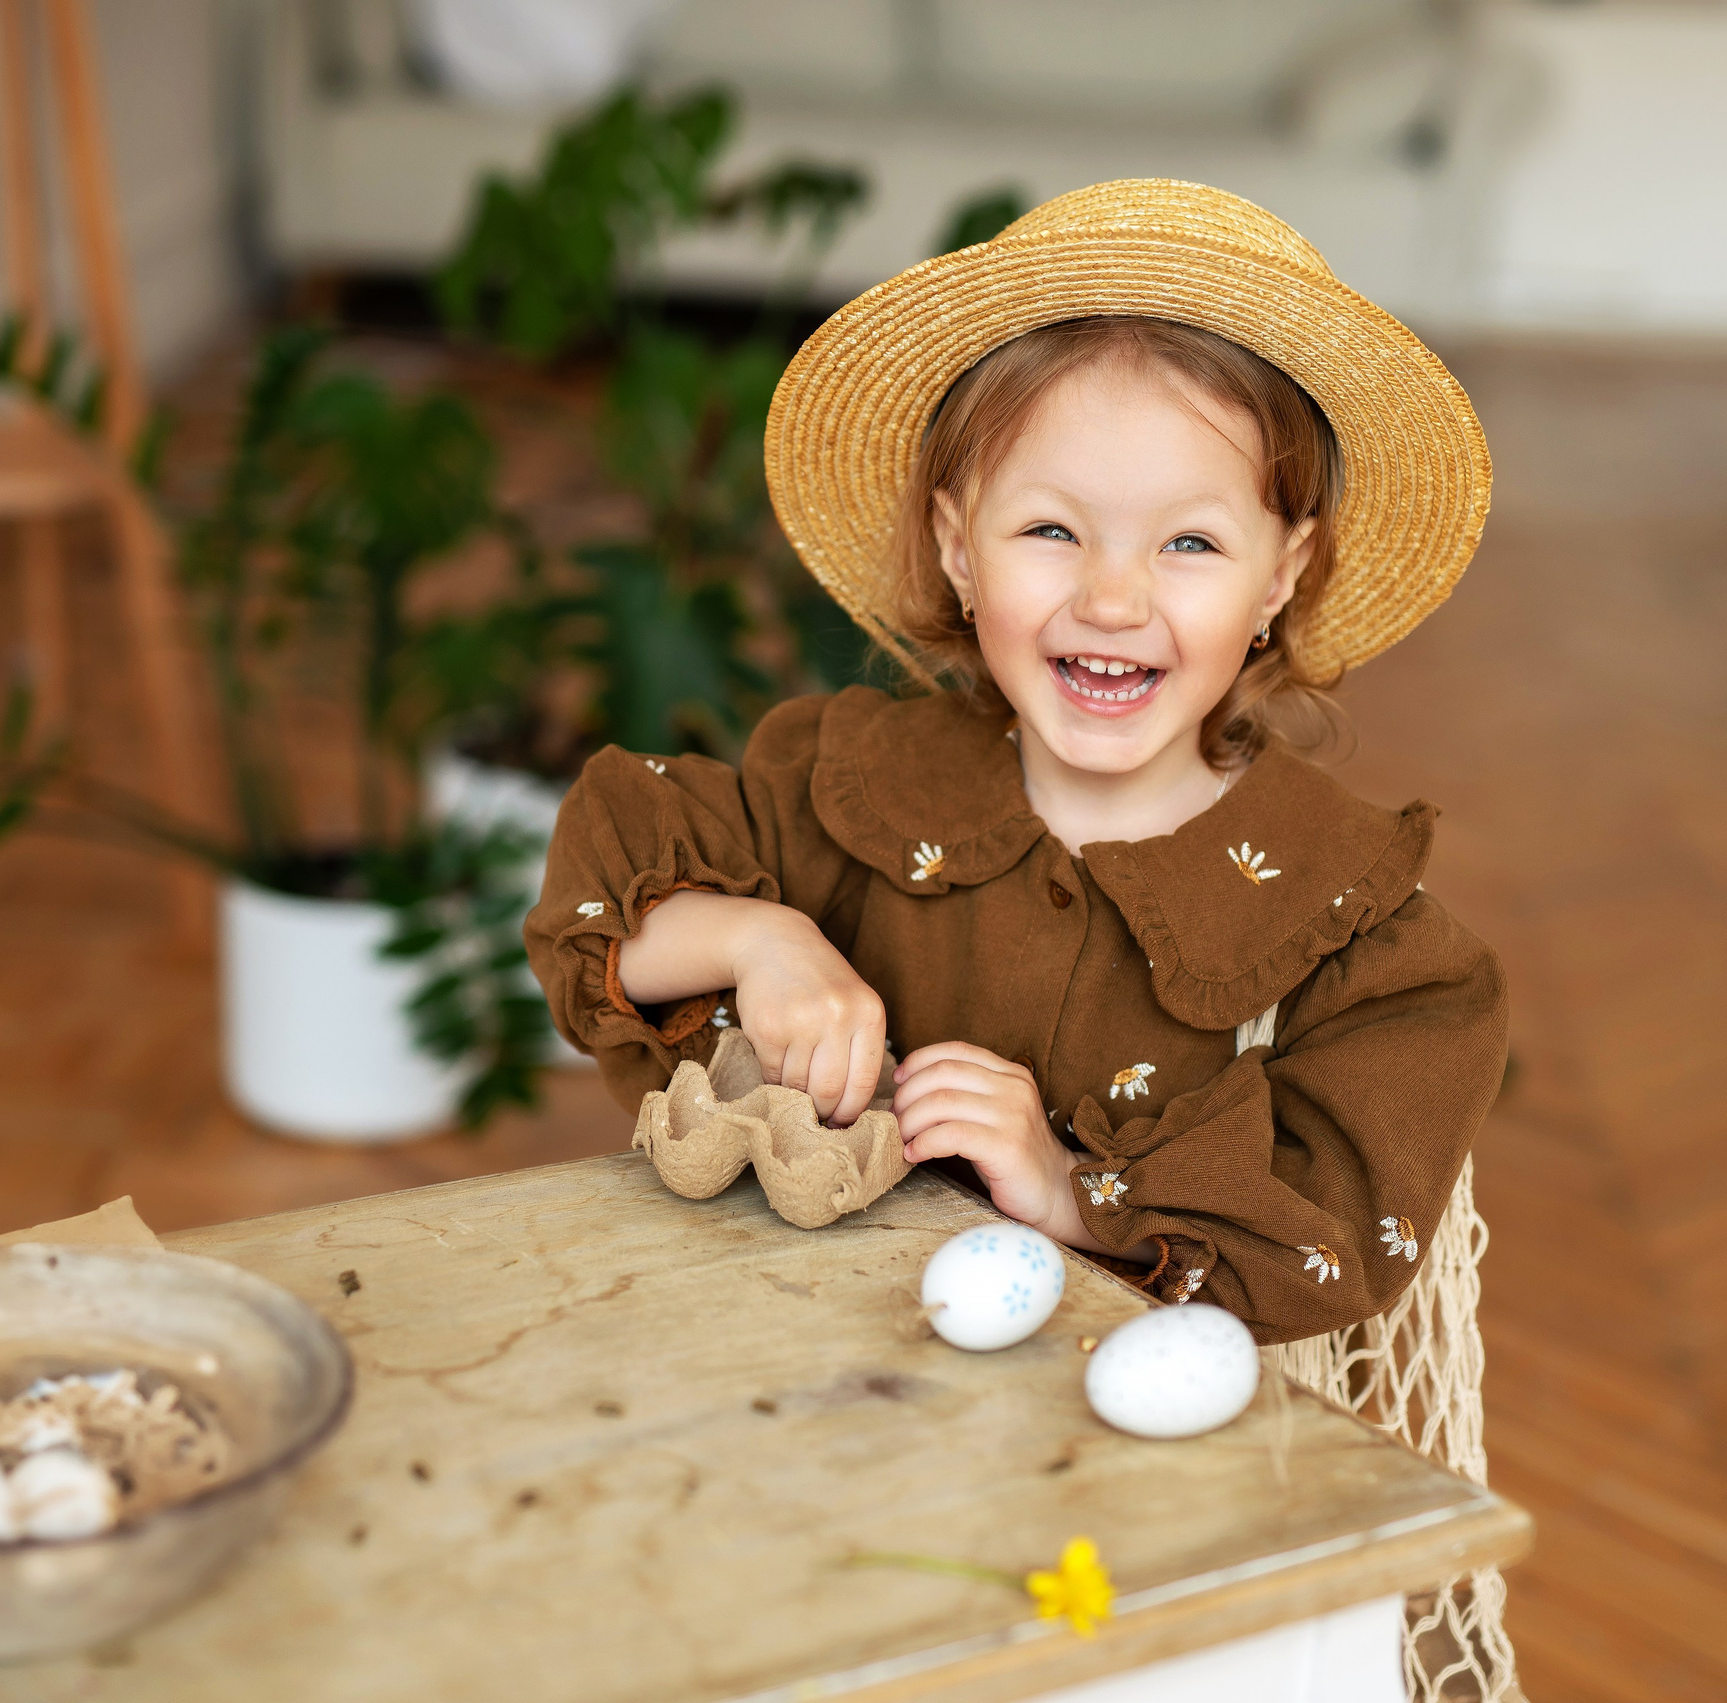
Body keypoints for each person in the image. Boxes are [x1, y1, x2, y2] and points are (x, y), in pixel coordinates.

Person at [523, 181, 1505, 1343]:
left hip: (1136, 1466)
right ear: (957, 547)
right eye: (1050, 528)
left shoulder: (1358, 930)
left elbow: (1326, 1246)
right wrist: (758, 939)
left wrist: (1066, 1186)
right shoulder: (842, 786)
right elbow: (597, 924)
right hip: (813, 1382)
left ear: (1281, 576)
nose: (1110, 596)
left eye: (1190, 542)